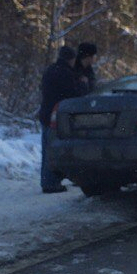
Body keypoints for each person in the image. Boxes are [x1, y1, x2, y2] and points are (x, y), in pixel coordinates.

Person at [38, 46, 82, 193]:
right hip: (56, 116)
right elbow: (73, 94)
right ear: (71, 59)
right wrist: (82, 84)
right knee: (54, 150)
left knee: (46, 149)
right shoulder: (66, 73)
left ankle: (47, 180)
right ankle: (50, 183)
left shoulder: (50, 70)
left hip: (45, 113)